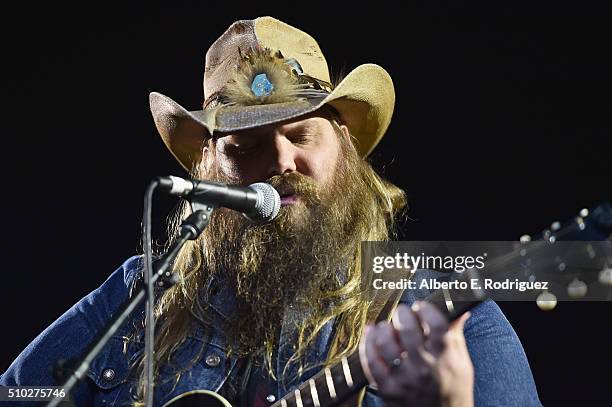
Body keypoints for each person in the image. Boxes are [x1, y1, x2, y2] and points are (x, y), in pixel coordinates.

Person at [0, 17, 542, 406]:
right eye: (246, 147)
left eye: (301, 134)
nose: (281, 161)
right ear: (209, 168)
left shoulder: (443, 309)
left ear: (345, 147)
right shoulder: (144, 294)